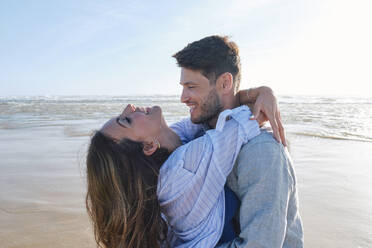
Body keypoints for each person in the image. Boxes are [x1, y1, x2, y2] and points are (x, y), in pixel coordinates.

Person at [171, 35, 304, 247]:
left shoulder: (261, 151)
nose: (183, 97)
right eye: (183, 86)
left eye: (191, 86)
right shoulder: (201, 131)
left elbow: (259, 244)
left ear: (224, 83)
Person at [86, 103, 262, 248]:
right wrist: (263, 94)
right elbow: (250, 119)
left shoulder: (165, 151)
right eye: (126, 120)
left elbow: (193, 124)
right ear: (148, 146)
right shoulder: (182, 167)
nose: (129, 107)